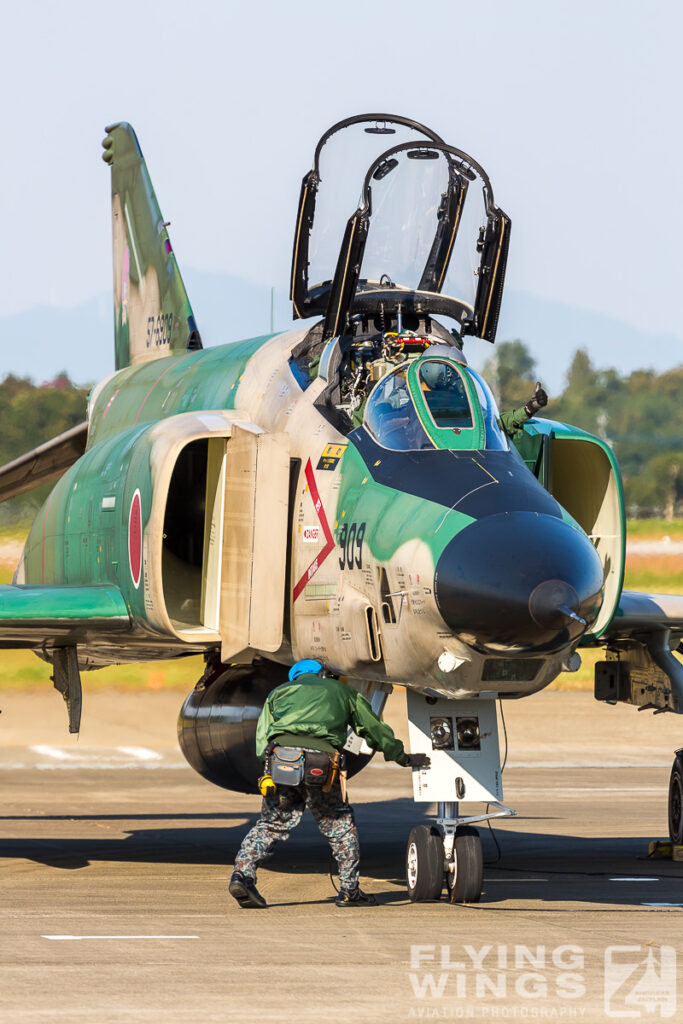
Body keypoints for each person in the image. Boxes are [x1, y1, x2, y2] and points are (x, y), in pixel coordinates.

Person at [229, 660, 430, 909]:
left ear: (296, 679)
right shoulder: (342, 692)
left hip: (282, 762)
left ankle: (242, 874)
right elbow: (373, 729)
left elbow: (262, 738)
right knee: (341, 827)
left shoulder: (278, 693)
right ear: (323, 674)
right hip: (321, 765)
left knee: (270, 824)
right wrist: (401, 756)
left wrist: (270, 768)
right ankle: (349, 891)